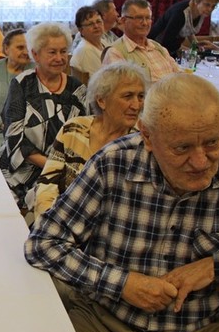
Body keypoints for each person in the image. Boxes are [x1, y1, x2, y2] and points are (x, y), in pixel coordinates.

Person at [26, 74, 219, 332]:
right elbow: (43, 243)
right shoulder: (113, 163)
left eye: (212, 142)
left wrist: (217, 266)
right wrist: (121, 284)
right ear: (147, 137)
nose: (201, 161)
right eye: (182, 148)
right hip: (105, 330)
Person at [34, 62, 147, 216]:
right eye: (128, 96)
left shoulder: (141, 145)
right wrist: (50, 220)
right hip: (60, 218)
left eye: (141, 96)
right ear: (101, 101)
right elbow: (47, 184)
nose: (136, 105)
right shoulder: (74, 129)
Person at [0, 22, 87, 210]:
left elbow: (85, 133)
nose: (59, 58)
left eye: (63, 52)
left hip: (66, 168)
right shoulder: (22, 84)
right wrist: (52, 165)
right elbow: (14, 135)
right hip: (21, 167)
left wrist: (65, 169)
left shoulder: (77, 89)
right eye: (52, 52)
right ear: (35, 54)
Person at [102, 0, 180, 83]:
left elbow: (180, 75)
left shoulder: (158, 48)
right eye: (139, 18)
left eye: (148, 18)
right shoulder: (115, 52)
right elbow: (122, 88)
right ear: (124, 20)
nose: (145, 23)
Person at [149, 0, 219, 57]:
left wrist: (196, 45)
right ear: (196, 1)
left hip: (170, 48)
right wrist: (191, 51)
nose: (210, 9)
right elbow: (167, 41)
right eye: (207, 4)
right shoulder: (180, 13)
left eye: (213, 6)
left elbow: (188, 29)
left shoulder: (201, 11)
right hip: (155, 46)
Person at [70, 6, 106, 77]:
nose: (96, 26)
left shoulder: (104, 43)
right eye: (90, 24)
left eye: (98, 21)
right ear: (81, 30)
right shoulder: (85, 50)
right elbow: (101, 79)